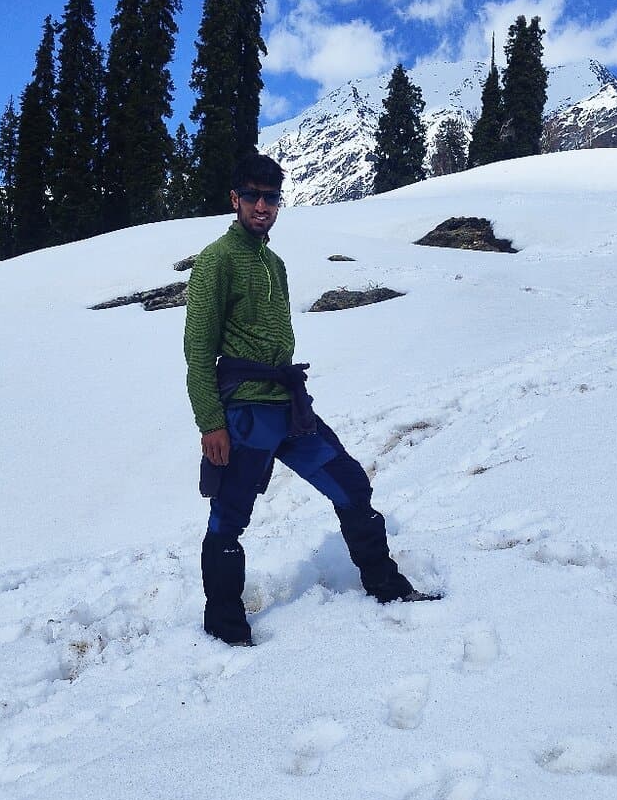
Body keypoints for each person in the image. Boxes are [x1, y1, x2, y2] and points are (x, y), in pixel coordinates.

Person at [183, 152, 438, 646]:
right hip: (244, 416)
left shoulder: (273, 262)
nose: (262, 205)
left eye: (271, 197)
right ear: (234, 199)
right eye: (253, 196)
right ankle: (225, 627)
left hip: (289, 408)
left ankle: (385, 585)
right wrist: (210, 422)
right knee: (228, 518)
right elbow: (197, 350)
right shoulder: (217, 260)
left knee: (350, 485)